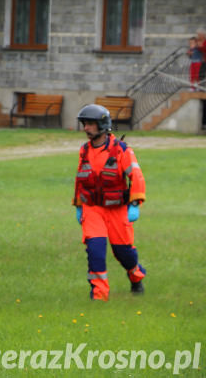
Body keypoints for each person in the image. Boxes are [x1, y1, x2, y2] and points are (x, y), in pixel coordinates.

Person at [72, 104, 147, 301]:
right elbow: (81, 179)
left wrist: (135, 204)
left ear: (103, 125)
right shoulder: (84, 151)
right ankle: (99, 295)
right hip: (92, 209)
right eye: (84, 124)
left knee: (124, 253)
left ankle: (136, 276)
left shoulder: (122, 150)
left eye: (90, 124)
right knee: (95, 251)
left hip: (117, 210)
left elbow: (136, 177)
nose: (86, 128)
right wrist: (79, 205)